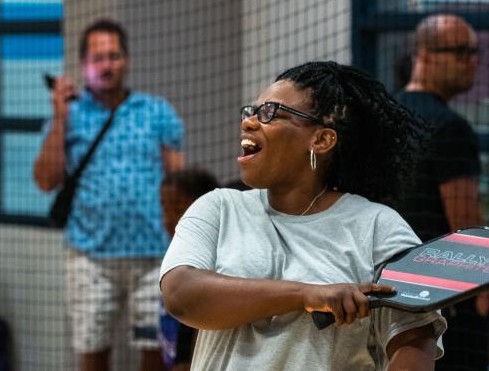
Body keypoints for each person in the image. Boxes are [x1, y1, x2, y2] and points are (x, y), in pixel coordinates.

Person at [159, 61, 447, 371]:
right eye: (250, 112)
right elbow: (180, 293)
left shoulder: (379, 226)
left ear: (321, 140)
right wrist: (307, 294)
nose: (250, 123)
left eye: (270, 112)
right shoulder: (218, 207)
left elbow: (415, 343)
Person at [33, 19, 185, 371]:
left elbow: (177, 178)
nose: (106, 64)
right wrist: (59, 117)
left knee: (157, 352)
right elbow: (45, 180)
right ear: (84, 64)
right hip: (89, 257)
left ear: (126, 60)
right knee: (92, 352)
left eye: (114, 56)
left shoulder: (156, 111)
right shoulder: (68, 115)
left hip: (153, 256)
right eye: (97, 58)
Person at [394, 14, 489, 371]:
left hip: (389, 298)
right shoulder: (450, 127)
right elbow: (468, 232)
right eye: (460, 51)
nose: (473, 61)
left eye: (474, 52)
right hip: (447, 303)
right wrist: (482, 305)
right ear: (424, 54)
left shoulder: (385, 116)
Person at [159, 169, 219, 371]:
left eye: (177, 210)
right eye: (164, 209)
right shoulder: (170, 255)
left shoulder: (208, 260)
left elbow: (190, 315)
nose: (167, 219)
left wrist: (183, 359)